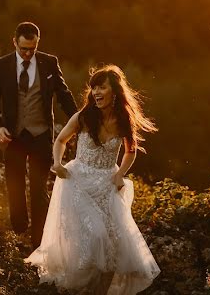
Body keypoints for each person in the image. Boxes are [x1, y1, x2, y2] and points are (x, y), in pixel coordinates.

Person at [25, 65, 160, 295]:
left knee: (115, 246)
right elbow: (60, 141)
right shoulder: (84, 117)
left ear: (114, 91)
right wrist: (57, 164)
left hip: (107, 186)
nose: (96, 92)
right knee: (96, 236)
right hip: (78, 183)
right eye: (94, 87)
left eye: (102, 87)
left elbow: (131, 151)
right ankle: (79, 287)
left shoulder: (123, 120)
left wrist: (120, 175)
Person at [0, 21, 78, 249]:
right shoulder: (1, 65)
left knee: (39, 190)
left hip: (41, 135)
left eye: (32, 49)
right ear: (14, 42)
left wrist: (79, 120)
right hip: (14, 136)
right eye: (23, 48)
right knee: (14, 187)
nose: (27, 54)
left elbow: (64, 95)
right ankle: (18, 232)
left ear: (38, 43)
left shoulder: (49, 63)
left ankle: (39, 243)